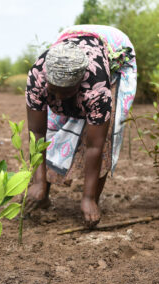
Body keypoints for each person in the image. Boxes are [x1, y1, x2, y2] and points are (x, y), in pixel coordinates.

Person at [25, 25, 137, 227]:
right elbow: (37, 133)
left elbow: (96, 146)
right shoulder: (37, 77)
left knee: (107, 133)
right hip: (71, 38)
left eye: (65, 92)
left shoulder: (97, 89)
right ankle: (43, 196)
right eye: (54, 91)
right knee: (54, 126)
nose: (58, 98)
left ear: (79, 84)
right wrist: (38, 182)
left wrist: (88, 197)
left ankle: (92, 199)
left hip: (115, 50)